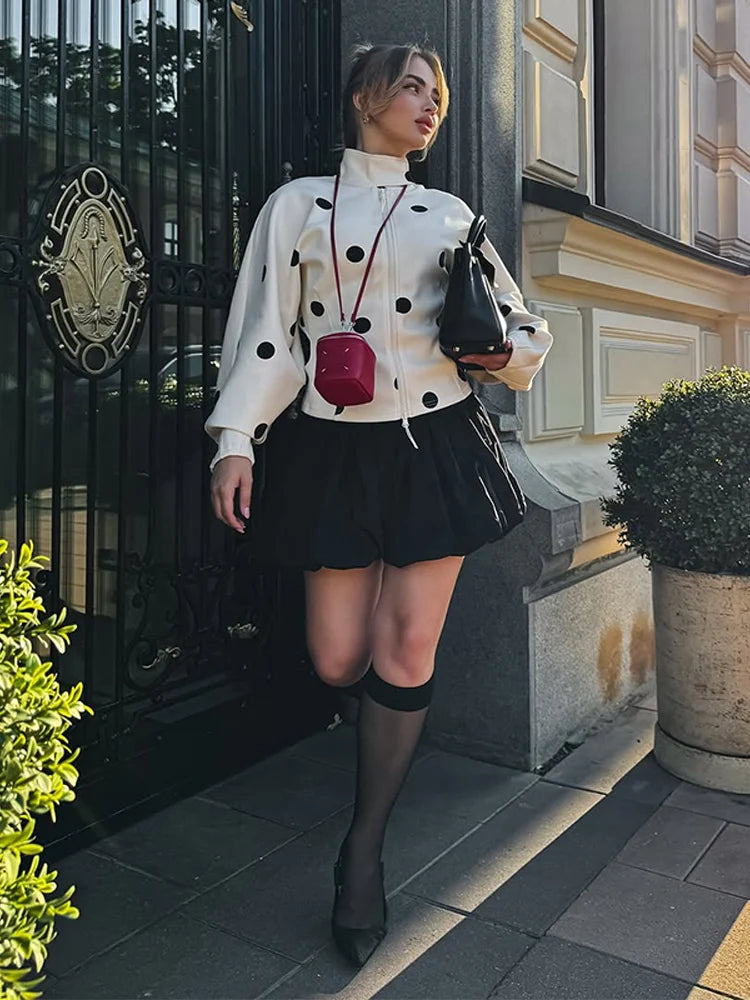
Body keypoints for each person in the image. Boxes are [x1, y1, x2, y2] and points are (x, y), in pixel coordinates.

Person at [205, 42, 552, 968]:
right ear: (365, 96)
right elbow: (268, 335)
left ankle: (363, 851)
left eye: (438, 95)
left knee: (406, 649)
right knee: (335, 659)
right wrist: (235, 440)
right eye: (412, 88)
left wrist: (504, 353)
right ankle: (375, 749)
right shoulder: (296, 206)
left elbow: (519, 327)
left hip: (435, 442)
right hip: (330, 447)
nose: (430, 106)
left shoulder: (450, 212)